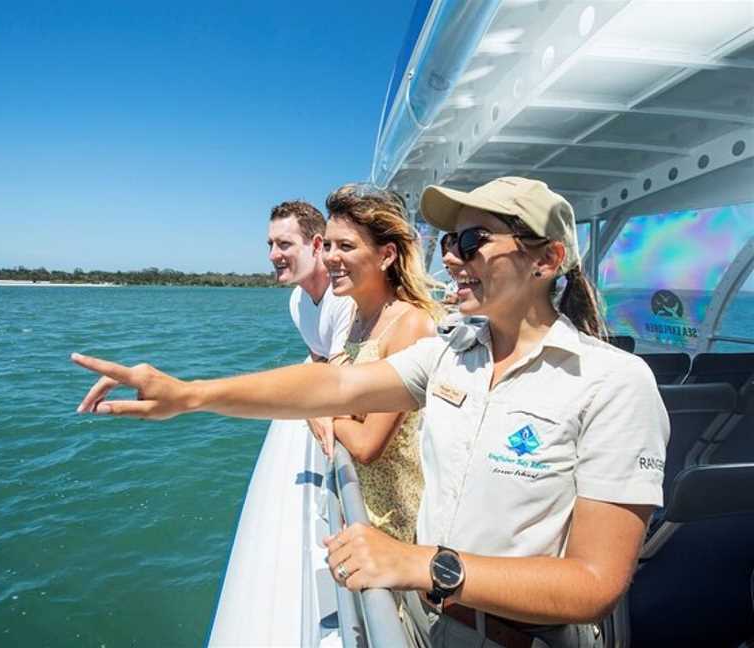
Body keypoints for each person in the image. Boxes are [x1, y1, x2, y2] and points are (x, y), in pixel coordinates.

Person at [73, 177, 669, 648]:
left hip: (517, 636)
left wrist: (419, 563)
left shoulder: (613, 383)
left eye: (471, 241)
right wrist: (191, 394)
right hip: (424, 617)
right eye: (447, 243)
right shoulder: (450, 356)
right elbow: (332, 388)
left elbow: (596, 584)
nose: (453, 260)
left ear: (546, 260)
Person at [310, 183, 438, 543]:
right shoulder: (355, 314)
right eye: (329, 245)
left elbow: (368, 444)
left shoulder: (409, 324)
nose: (331, 257)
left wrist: (321, 410)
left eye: (346, 246)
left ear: (386, 256)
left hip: (394, 520)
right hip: (359, 507)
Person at [267, 200, 353, 362]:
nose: (272, 255)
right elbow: (318, 356)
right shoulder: (296, 299)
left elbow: (341, 377)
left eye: (284, 244)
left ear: (317, 245)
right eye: (271, 245)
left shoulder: (347, 297)